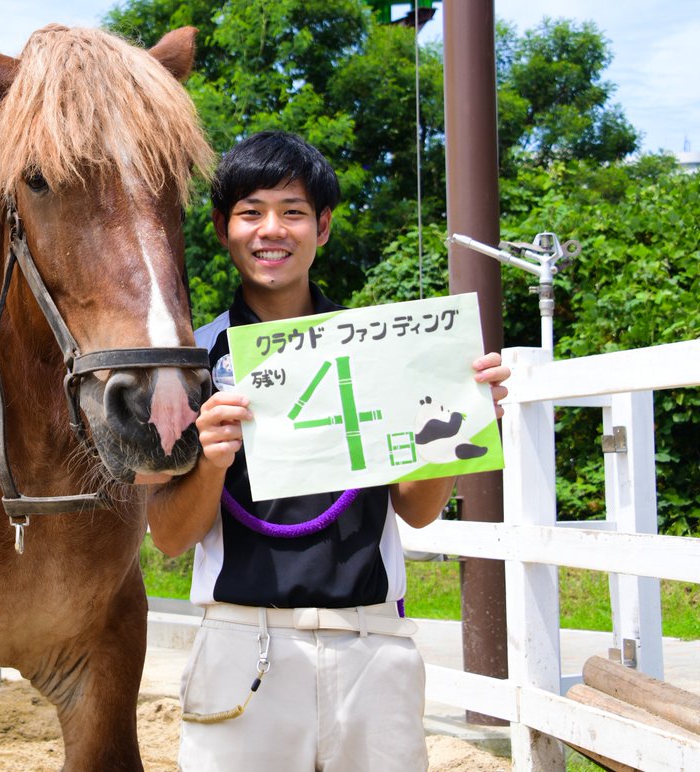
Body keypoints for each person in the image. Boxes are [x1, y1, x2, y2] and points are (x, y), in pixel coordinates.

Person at [149, 131, 511, 771]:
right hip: (242, 643)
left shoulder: (383, 353)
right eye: (251, 211)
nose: (272, 230)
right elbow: (172, 537)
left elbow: (419, 512)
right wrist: (211, 460)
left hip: (372, 643)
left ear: (323, 227)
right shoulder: (188, 367)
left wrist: (460, 426)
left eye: (292, 212)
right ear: (221, 228)